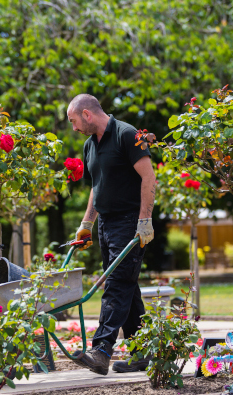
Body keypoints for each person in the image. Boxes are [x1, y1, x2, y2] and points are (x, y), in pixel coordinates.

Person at [66, 94, 156, 375]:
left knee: (116, 284)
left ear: (87, 114)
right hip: (106, 224)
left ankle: (101, 350)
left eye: (73, 121)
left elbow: (148, 177)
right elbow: (97, 186)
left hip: (130, 222)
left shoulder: (127, 135)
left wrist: (145, 220)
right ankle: (142, 353)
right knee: (127, 285)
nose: (74, 128)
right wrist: (87, 223)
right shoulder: (89, 146)